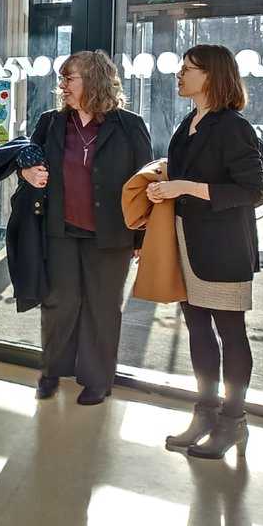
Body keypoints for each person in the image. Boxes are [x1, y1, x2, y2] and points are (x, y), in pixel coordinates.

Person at [20, 50, 153, 406]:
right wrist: (26, 172)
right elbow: (29, 158)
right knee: (60, 302)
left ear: (92, 81)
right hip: (60, 229)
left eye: (69, 79)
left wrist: (142, 237)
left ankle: (97, 379)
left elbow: (144, 184)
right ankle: (51, 370)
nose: (61, 86)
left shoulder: (129, 125)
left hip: (110, 235)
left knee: (102, 307)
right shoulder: (51, 122)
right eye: (61, 79)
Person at [147, 44, 261, 459]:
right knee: (197, 332)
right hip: (185, 243)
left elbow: (251, 188)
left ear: (211, 76)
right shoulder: (188, 123)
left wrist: (184, 187)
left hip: (225, 248)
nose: (179, 74)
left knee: (231, 335)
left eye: (188, 69)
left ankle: (234, 422)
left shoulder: (232, 126)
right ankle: (204, 414)